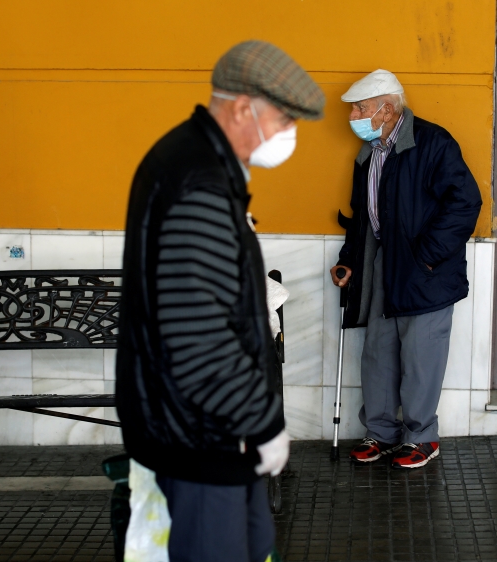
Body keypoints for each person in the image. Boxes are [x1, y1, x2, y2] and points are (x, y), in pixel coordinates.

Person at [115, 41, 324, 562]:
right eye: (284, 120)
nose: (289, 134)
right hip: (201, 438)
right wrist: (265, 422)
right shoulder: (200, 184)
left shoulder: (197, 162)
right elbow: (199, 337)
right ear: (242, 108)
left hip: (211, 431)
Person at [331, 69, 482, 469]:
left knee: (420, 356)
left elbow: (465, 202)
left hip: (425, 269)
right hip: (384, 263)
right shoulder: (369, 153)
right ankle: (380, 433)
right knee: (378, 354)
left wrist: (427, 256)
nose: (352, 117)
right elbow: (362, 215)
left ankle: (421, 438)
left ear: (386, 109)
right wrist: (349, 260)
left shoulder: (433, 143)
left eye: (360, 109)